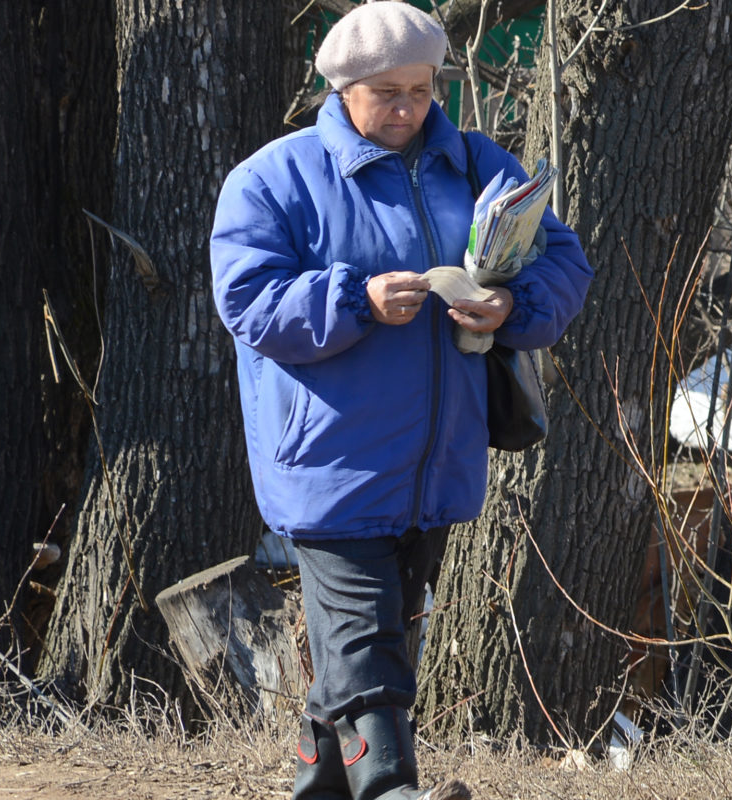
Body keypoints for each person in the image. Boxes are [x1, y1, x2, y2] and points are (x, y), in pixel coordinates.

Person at [209, 3, 593, 799]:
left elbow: (564, 263)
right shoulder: (273, 179)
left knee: (367, 652)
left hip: (437, 463)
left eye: (422, 90)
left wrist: (511, 307)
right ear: (342, 88)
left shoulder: (481, 166)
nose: (410, 109)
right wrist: (355, 299)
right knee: (367, 648)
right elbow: (246, 298)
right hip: (328, 462)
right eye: (389, 91)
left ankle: (325, 786)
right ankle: (394, 789)